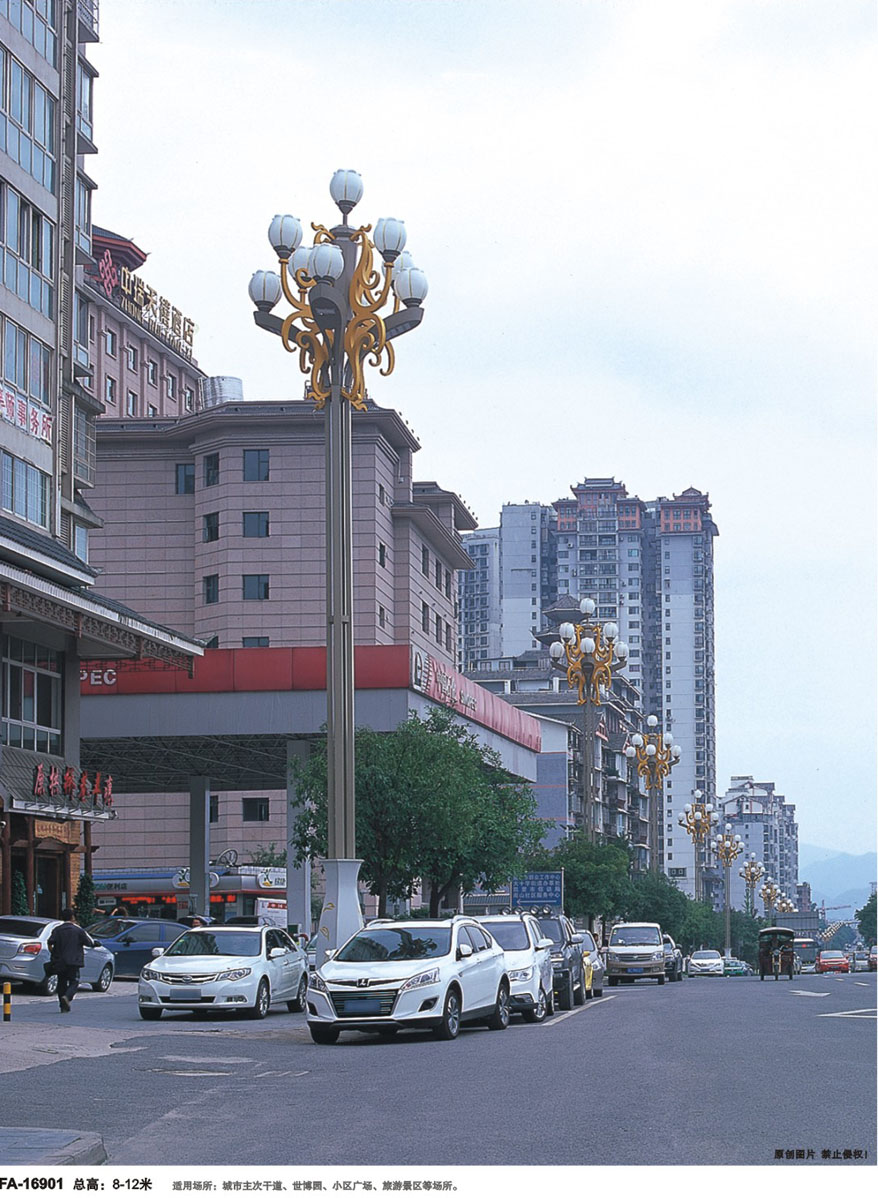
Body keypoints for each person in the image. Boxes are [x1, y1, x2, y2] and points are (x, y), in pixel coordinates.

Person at [47, 908, 95, 1013]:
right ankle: (67, 997)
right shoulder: (78, 930)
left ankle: (62, 1006)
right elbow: (88, 943)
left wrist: (53, 953)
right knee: (74, 981)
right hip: (74, 960)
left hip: (60, 960)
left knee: (61, 983)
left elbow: (50, 942)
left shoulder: (57, 930)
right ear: (72, 917)